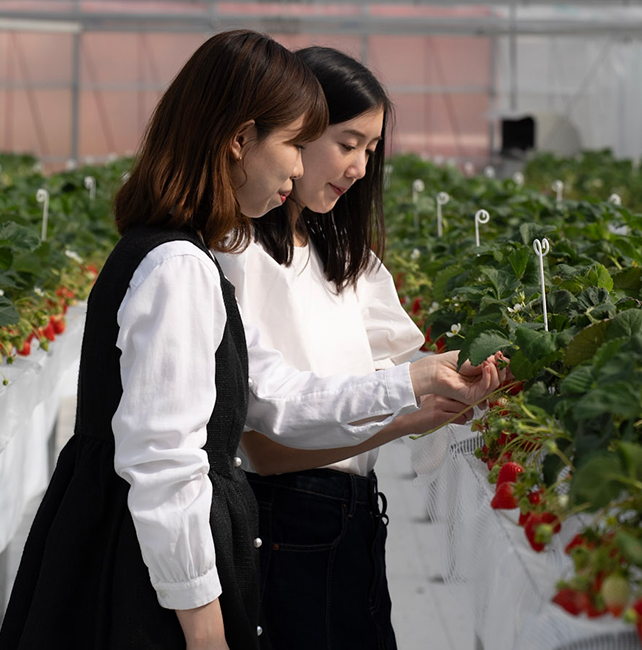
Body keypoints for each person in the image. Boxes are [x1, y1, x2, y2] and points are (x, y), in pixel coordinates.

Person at [0, 31, 499, 650]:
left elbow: (275, 395)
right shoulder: (182, 266)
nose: (298, 164)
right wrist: (204, 621)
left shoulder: (176, 255)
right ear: (240, 140)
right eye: (295, 143)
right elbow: (166, 464)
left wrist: (418, 382)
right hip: (151, 573)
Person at [214, 46, 475, 649]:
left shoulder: (347, 261)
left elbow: (382, 379)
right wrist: (409, 409)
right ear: (294, 129)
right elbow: (264, 446)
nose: (359, 166)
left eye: (372, 149)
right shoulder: (241, 256)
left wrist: (442, 392)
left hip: (351, 516)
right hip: (287, 520)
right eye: (348, 142)